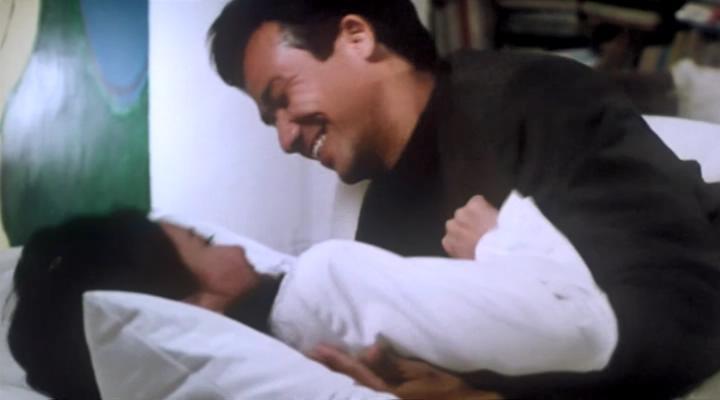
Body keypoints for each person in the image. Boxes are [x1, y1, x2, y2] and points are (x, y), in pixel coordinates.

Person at [207, 0, 720, 398]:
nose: (285, 138)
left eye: (283, 99)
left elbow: (679, 311)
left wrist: (486, 397)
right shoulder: (372, 208)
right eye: (271, 121)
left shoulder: (532, 96)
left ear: (357, 36)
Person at [8, 194, 614, 399]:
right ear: (195, 308)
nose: (231, 242)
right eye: (204, 241)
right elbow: (583, 329)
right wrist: (497, 240)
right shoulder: (321, 285)